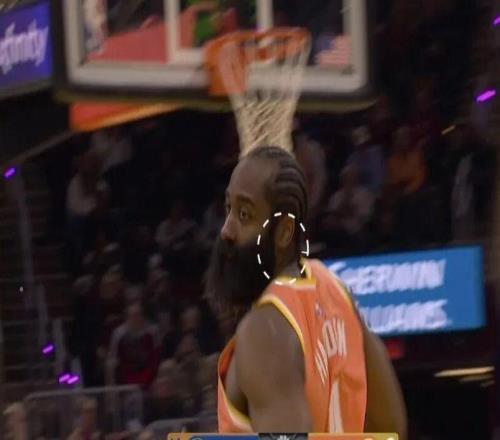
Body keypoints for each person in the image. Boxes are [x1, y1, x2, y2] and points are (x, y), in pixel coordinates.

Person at [206, 146, 407, 436]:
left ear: (284, 232)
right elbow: (392, 430)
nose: (226, 230)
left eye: (245, 214)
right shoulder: (334, 289)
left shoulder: (264, 331)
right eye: (229, 209)